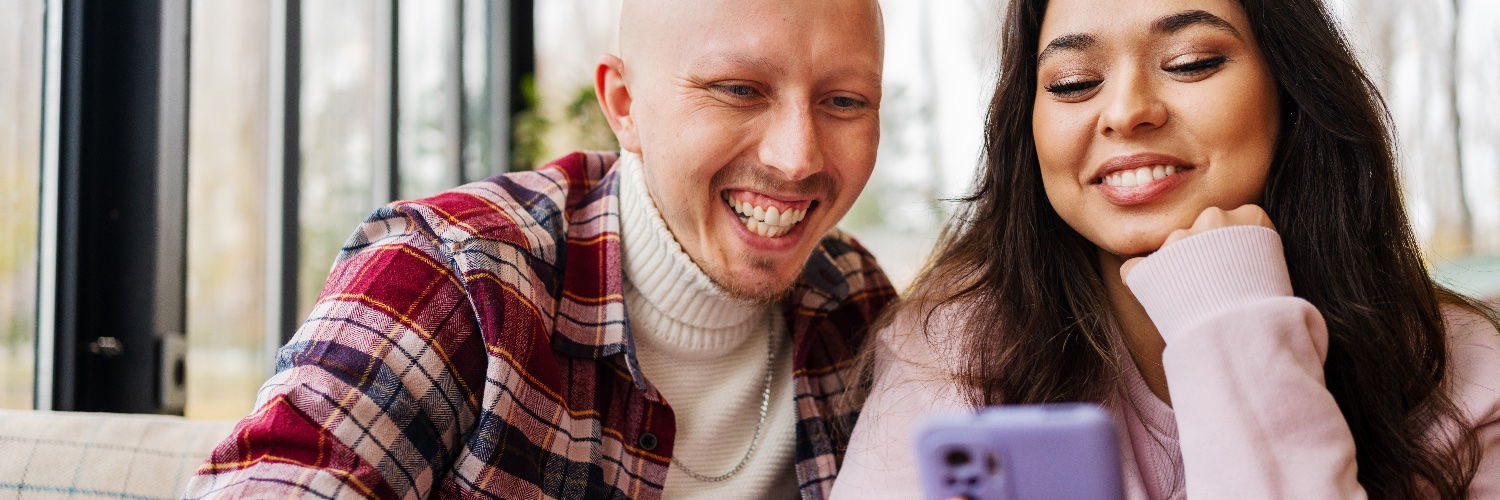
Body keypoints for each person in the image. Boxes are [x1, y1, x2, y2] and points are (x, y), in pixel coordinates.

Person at [184, 0, 893, 498]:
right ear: (624, 104)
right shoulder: (453, 274)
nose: (798, 158)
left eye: (845, 102)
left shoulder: (857, 307)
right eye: (739, 89)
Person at [833, 0, 1500, 498]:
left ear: (1291, 92)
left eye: (1191, 63)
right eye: (1071, 82)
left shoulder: (1466, 378)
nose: (1125, 111)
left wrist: (1229, 320)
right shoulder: (952, 346)